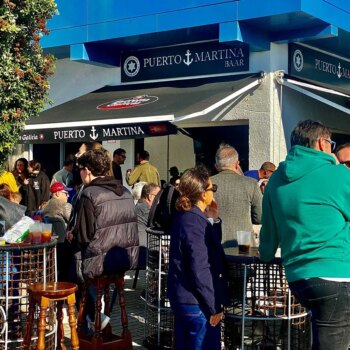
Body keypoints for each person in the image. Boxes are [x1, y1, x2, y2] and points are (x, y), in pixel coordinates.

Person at [259, 120, 350, 350]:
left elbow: (268, 241)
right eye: (331, 143)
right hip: (336, 274)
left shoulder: (275, 181)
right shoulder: (338, 175)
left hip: (299, 279)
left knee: (322, 338)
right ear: (321, 143)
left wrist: (267, 254)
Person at [69, 148, 139, 329]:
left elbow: (84, 237)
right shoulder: (125, 191)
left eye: (81, 169)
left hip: (98, 263)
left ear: (88, 170)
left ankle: (91, 322)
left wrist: (72, 235)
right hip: (124, 260)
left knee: (69, 267)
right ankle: (99, 317)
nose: (80, 173)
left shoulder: (89, 194)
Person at [168, 166, 228, 350]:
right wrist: (214, 305)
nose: (213, 193)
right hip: (196, 302)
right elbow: (200, 266)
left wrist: (213, 220)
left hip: (186, 299)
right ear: (203, 194)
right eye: (212, 189)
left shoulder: (188, 218)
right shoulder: (193, 221)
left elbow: (209, 248)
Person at [211, 143, 262, 247]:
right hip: (244, 241)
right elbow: (259, 217)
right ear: (237, 164)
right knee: (243, 262)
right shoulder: (251, 183)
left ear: (216, 166)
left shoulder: (207, 184)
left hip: (215, 241)